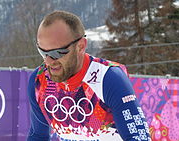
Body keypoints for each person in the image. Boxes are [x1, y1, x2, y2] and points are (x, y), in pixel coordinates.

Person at [27, 10, 151, 141]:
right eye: (43, 52)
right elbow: (37, 136)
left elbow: (139, 137)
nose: (48, 61)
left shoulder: (109, 79)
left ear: (81, 46)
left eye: (57, 53)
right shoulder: (40, 82)